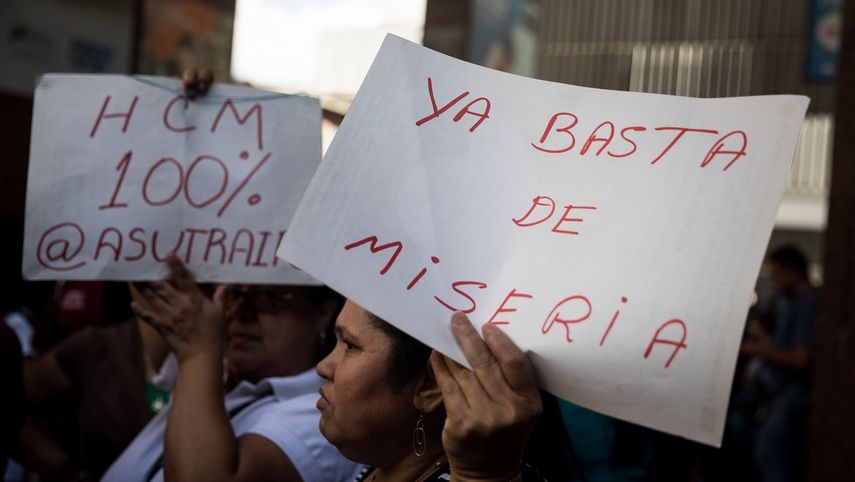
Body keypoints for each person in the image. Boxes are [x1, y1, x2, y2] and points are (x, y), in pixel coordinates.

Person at [105, 256, 362, 481]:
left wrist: (197, 353)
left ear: (322, 314)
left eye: (267, 297)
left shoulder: (323, 413)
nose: (241, 312)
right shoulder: (218, 372)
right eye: (234, 294)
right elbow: (148, 274)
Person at [316, 300, 550, 481]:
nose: (323, 367)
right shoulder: (379, 462)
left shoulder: (496, 476)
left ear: (430, 386)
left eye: (350, 345)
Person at [740, 245, 817, 482]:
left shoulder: (808, 302)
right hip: (779, 393)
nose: (774, 279)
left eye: (776, 273)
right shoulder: (795, 303)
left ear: (793, 271)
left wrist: (758, 350)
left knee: (770, 456)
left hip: (791, 393)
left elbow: (800, 358)